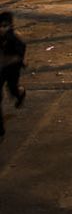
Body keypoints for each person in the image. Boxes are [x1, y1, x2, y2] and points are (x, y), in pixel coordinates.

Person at [0, 11, 26, 139]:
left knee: (12, 90)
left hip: (11, 69)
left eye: (5, 26)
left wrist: (6, 60)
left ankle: (20, 93)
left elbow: (19, 56)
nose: (2, 29)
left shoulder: (16, 38)